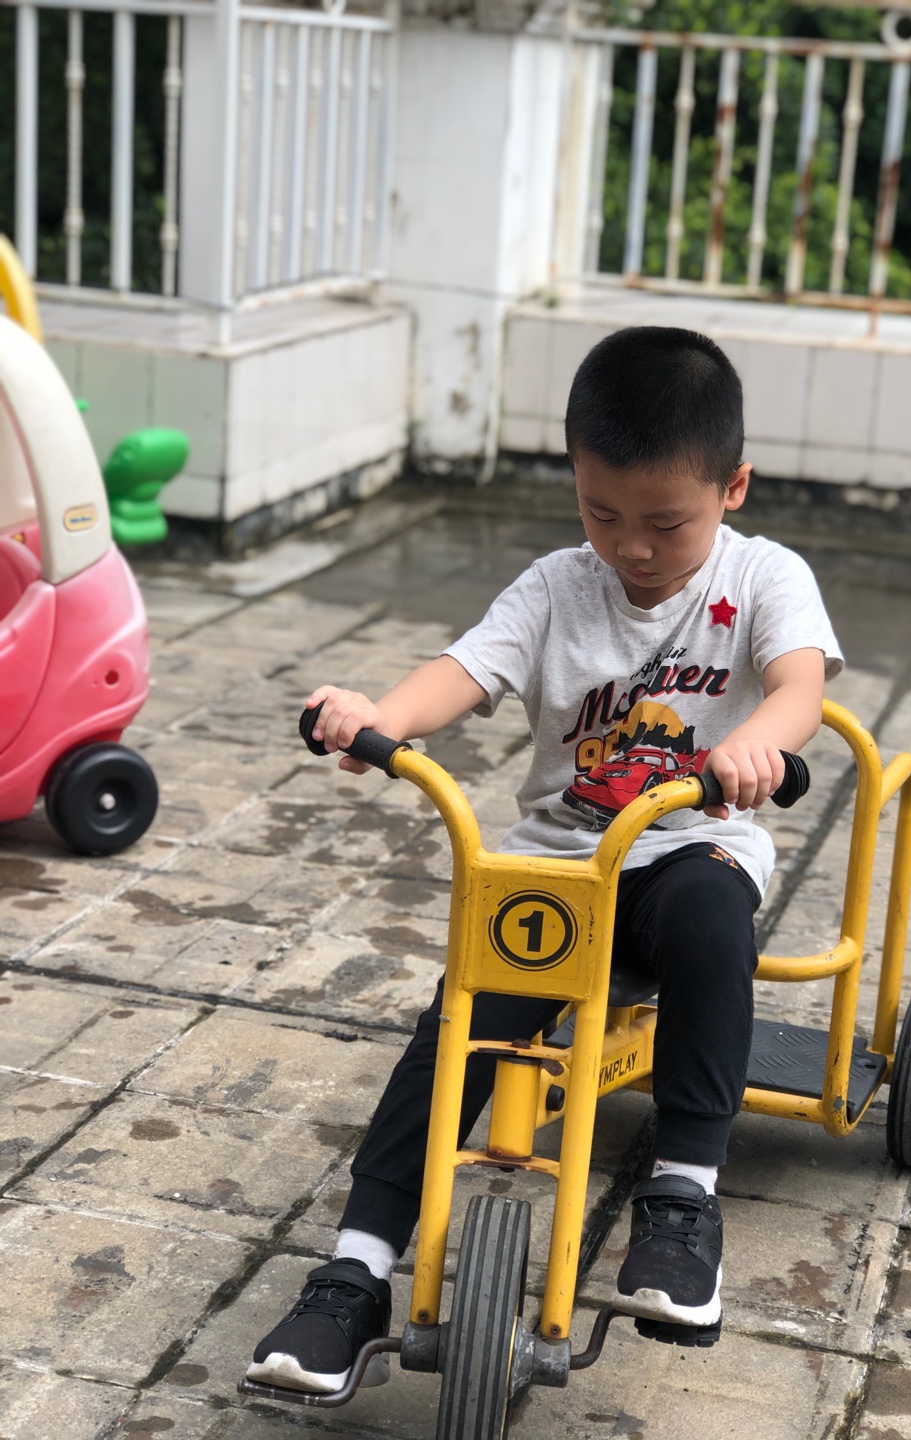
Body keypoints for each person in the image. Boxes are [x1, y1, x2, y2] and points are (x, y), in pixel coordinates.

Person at [246, 326, 843, 1394]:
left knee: (713, 924)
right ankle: (355, 1271)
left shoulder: (764, 578)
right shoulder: (557, 587)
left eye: (667, 522)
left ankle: (681, 1199)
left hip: (689, 842)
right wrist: (380, 716)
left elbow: (800, 683)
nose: (633, 548)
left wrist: (760, 744)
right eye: (601, 514)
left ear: (733, 487)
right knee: (456, 1028)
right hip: (560, 864)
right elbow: (466, 669)